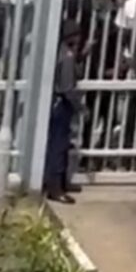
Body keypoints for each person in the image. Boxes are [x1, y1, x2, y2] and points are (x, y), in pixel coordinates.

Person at [43, 20, 84, 204]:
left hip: (56, 103)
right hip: (62, 105)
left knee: (58, 144)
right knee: (58, 146)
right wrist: (81, 107)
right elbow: (67, 87)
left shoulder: (58, 52)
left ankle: (59, 182)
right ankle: (55, 188)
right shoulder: (66, 56)